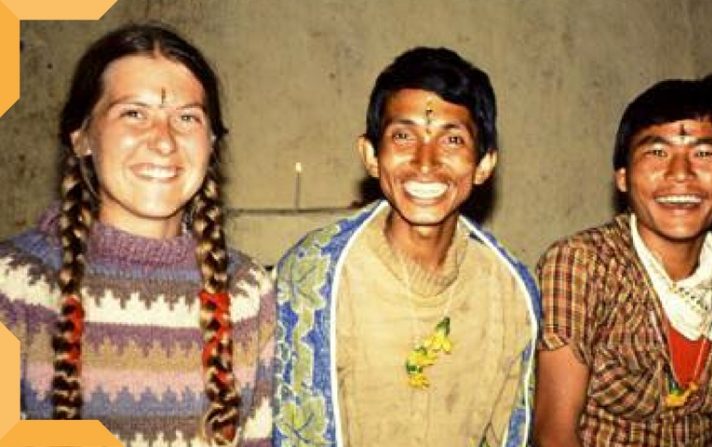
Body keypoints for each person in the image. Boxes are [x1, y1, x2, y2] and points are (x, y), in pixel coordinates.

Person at [0, 24, 275, 446]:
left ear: (211, 143)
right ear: (81, 137)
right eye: (134, 113)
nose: (163, 141)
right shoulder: (15, 285)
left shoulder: (246, 291)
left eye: (187, 118)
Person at [273, 47, 539, 447]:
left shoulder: (511, 292)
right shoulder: (314, 277)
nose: (425, 162)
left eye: (452, 139)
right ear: (371, 155)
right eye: (403, 136)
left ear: (484, 164)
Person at [534, 76, 712, 446]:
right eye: (656, 152)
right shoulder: (583, 265)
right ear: (622, 177)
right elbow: (553, 434)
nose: (680, 174)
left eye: (704, 154)